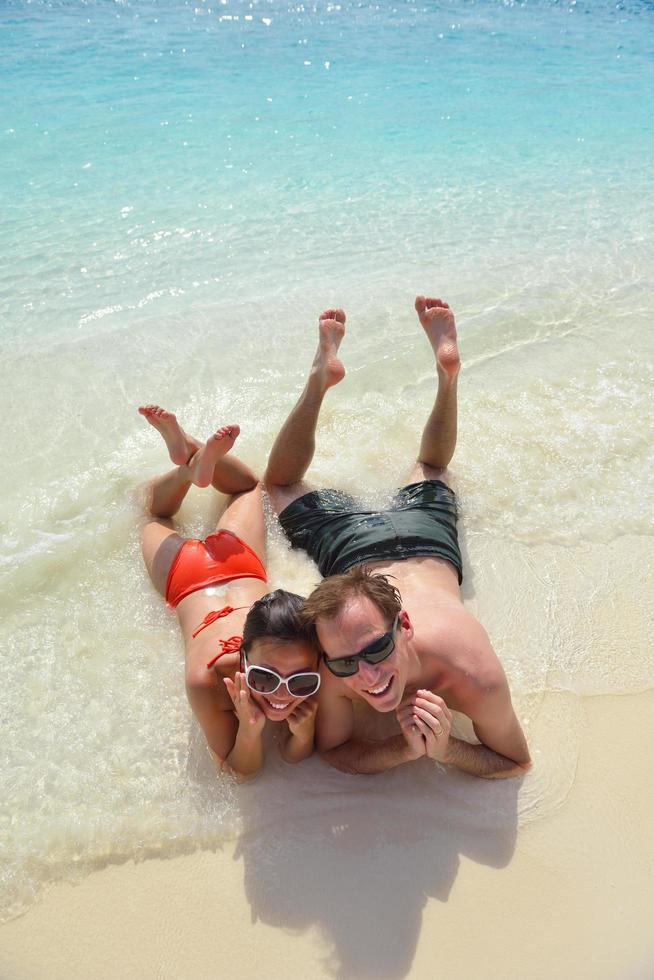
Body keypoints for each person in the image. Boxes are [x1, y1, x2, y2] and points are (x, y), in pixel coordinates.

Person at [263, 298, 531, 778]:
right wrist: (409, 751)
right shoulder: (338, 664)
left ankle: (328, 381)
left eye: (376, 649)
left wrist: (445, 748)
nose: (366, 676)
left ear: (403, 624)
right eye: (345, 664)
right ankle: (442, 375)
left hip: (369, 547)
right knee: (430, 468)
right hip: (416, 544)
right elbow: (336, 752)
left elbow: (517, 764)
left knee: (282, 485)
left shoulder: (469, 671)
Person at [138, 406, 319, 779]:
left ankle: (191, 464)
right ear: (243, 658)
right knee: (154, 515)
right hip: (189, 579)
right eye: (264, 679)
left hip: (232, 566)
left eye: (300, 680)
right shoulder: (207, 681)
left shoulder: (309, 668)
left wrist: (304, 732)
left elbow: (292, 756)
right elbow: (240, 772)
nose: (282, 696)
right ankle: (190, 460)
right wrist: (250, 733)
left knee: (238, 490)